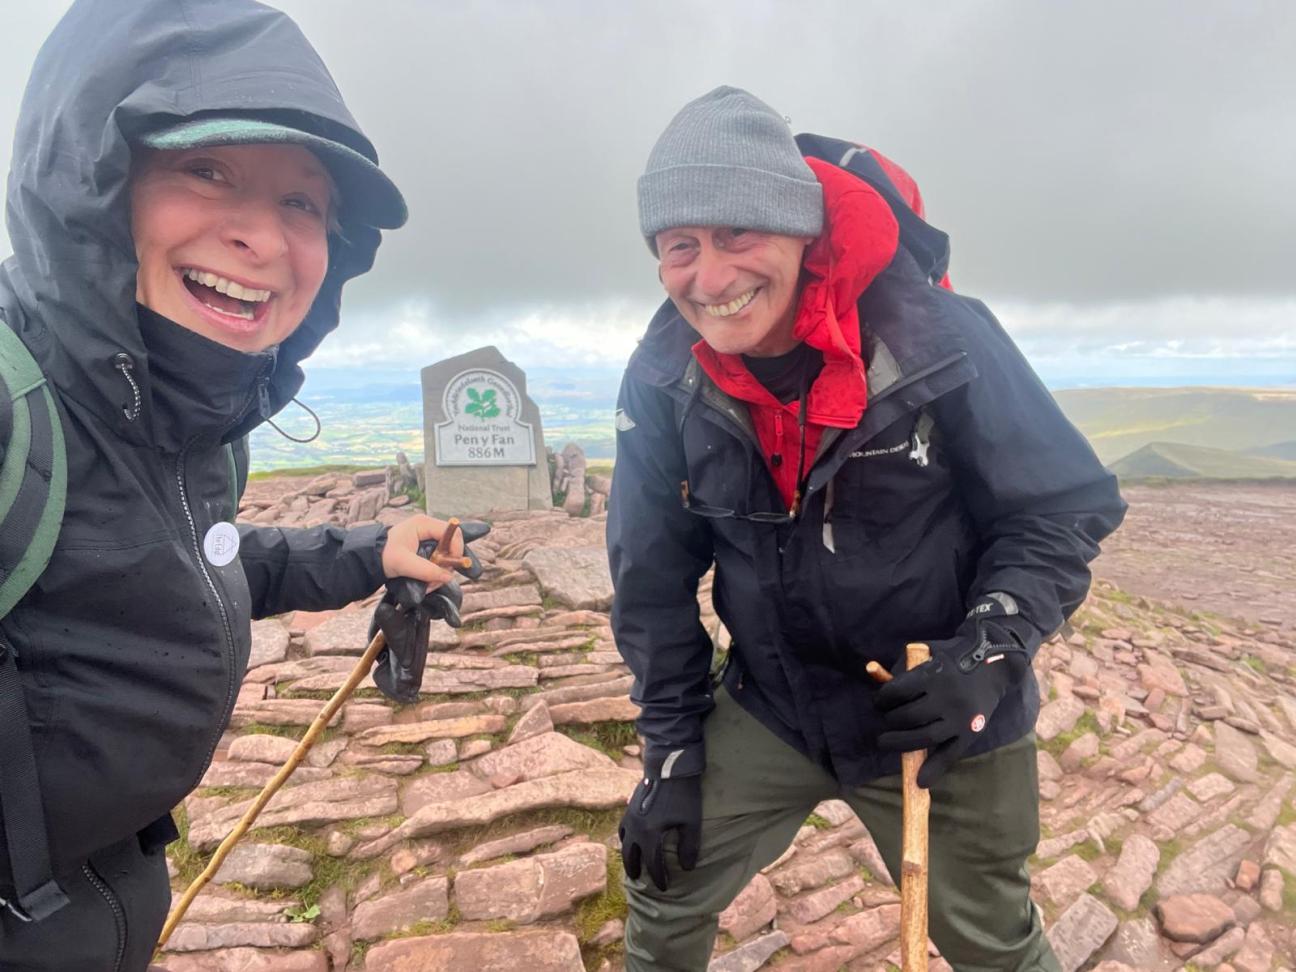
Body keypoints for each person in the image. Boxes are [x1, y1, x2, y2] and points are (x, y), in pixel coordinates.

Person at [608, 86, 1127, 971]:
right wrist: (669, 752)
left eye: (738, 234)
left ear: (802, 233)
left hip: (939, 713)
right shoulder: (665, 375)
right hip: (774, 705)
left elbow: (1060, 504)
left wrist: (990, 654)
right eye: (679, 247)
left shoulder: (937, 335)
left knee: (991, 943)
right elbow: (651, 575)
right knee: (663, 891)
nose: (710, 276)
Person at [0, 1, 473, 967]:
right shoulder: (20, 409)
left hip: (105, 897)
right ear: (89, 183)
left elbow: (185, 561)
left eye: (304, 203)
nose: (263, 237)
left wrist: (366, 550)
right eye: (205, 169)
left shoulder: (183, 421)